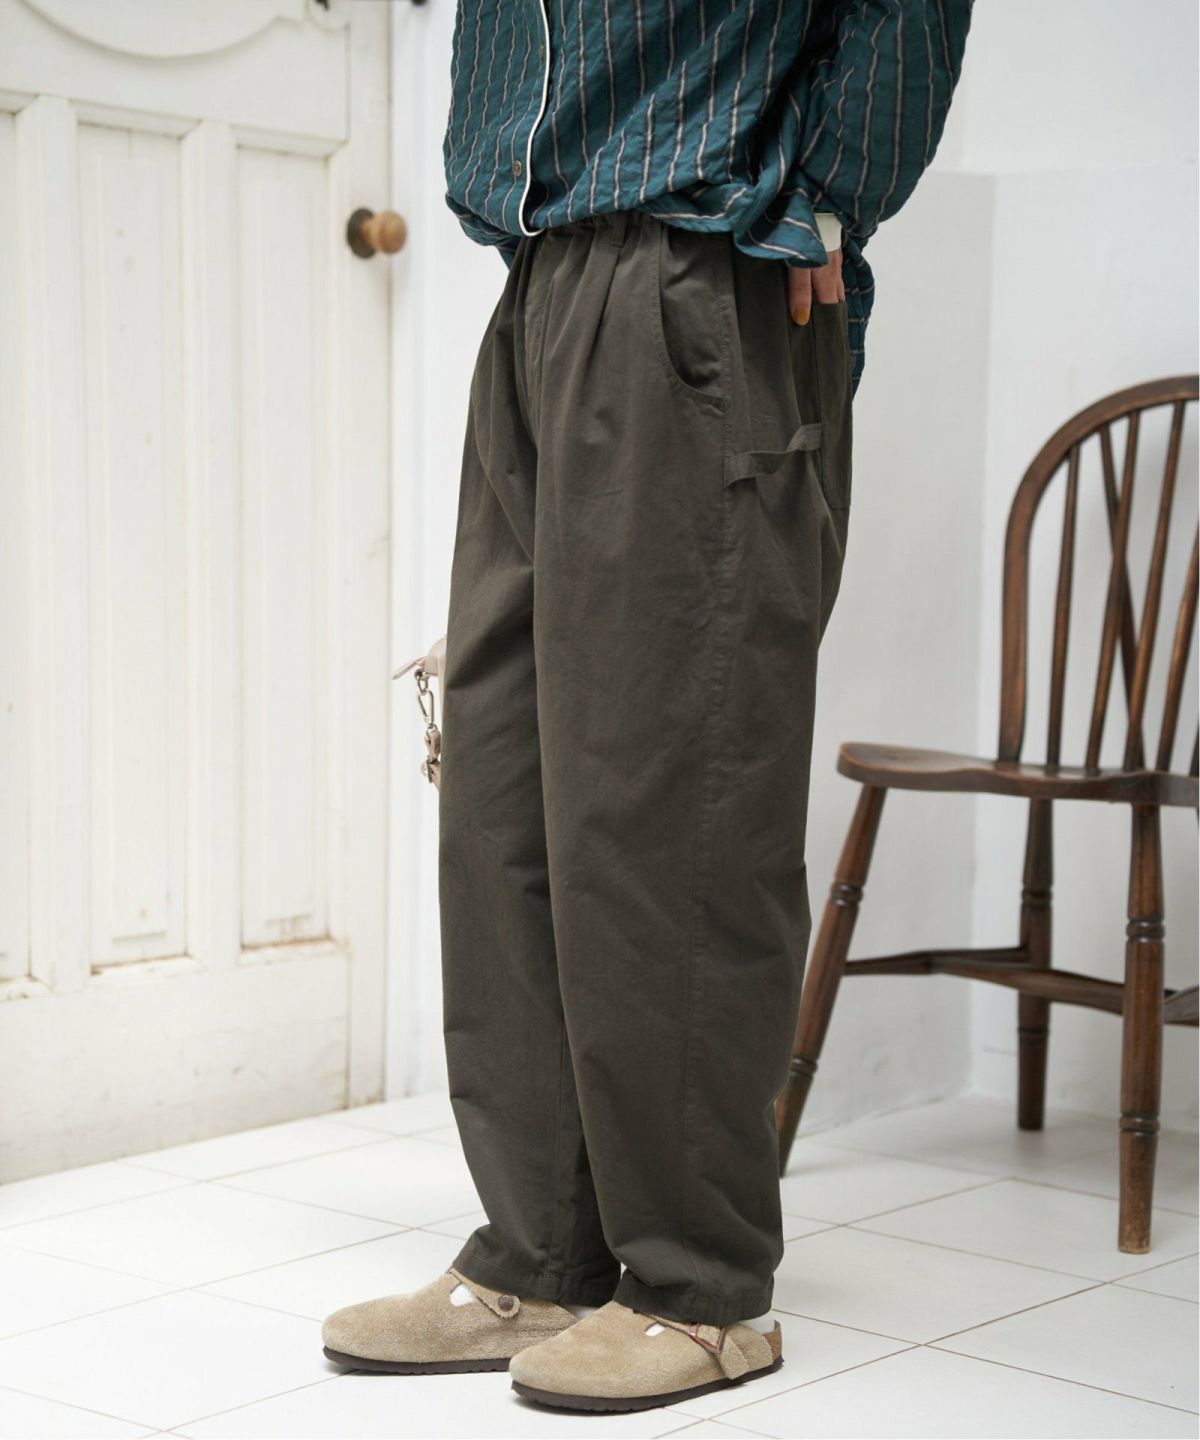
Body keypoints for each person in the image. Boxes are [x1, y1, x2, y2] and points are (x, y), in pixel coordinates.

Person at [323, 0, 973, 1414]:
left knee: (667, 800)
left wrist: (824, 199)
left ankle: (699, 1285)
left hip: (700, 267)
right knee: (502, 792)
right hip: (542, 276)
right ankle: (542, 1255)